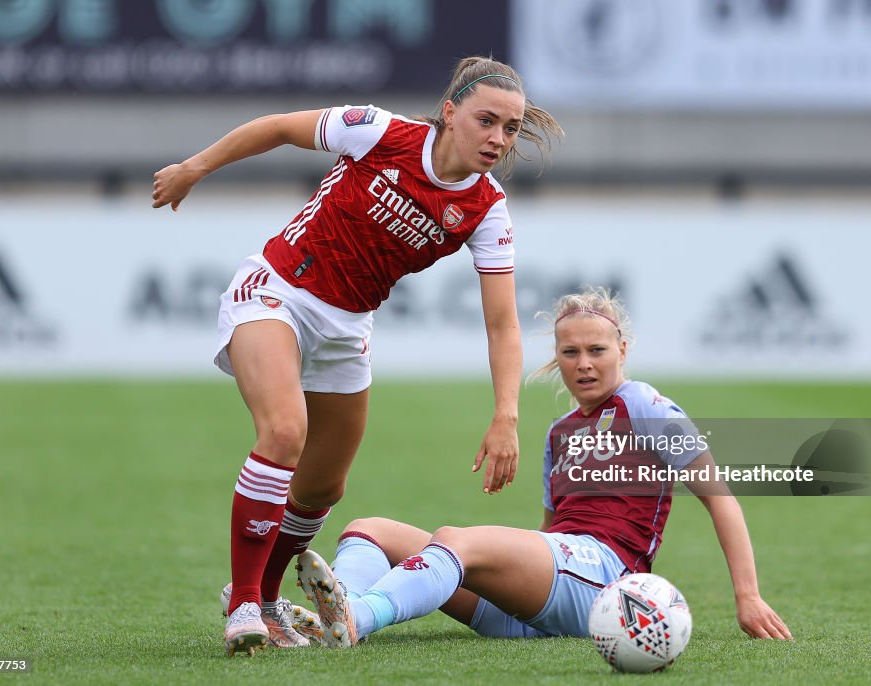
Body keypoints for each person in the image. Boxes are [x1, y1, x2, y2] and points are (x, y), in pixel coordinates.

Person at [151, 56, 563, 656]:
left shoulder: (486, 208)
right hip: (279, 289)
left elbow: (502, 324)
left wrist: (507, 415)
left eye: (510, 128)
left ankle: (266, 602)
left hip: (347, 327)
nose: (498, 139)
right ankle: (241, 603)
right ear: (450, 113)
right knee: (284, 432)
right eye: (487, 121)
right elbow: (277, 127)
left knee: (323, 486)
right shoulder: (380, 131)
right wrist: (194, 168)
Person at [294, 288, 793, 647]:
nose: (584, 363)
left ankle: (357, 615)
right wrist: (514, 574)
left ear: (622, 351)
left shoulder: (644, 405)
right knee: (369, 530)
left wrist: (747, 596)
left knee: (454, 539)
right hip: (545, 592)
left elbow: (719, 498)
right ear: (556, 358)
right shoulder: (560, 431)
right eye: (569, 352)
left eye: (597, 350)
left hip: (604, 578)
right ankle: (333, 616)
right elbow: (551, 532)